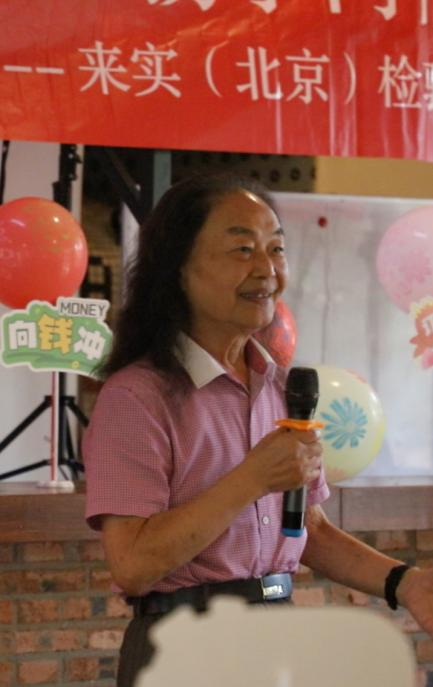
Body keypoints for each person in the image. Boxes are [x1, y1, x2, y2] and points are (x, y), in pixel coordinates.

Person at [84, 172, 433, 687]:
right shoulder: (137, 397)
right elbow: (132, 564)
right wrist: (252, 478)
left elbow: (308, 530)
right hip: (184, 645)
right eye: (243, 249)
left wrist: (406, 582)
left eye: (277, 249)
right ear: (178, 268)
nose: (267, 269)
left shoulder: (280, 386)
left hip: (276, 632)